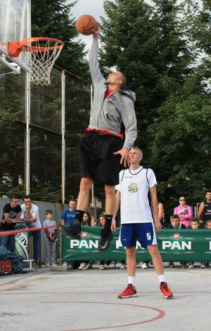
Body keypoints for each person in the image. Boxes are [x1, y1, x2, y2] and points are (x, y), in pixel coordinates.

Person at [63, 28, 138, 252]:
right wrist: (95, 38)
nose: (108, 77)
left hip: (112, 142)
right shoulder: (98, 85)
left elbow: (132, 128)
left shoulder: (124, 100)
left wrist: (126, 148)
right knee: (85, 182)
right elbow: (92, 62)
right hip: (91, 138)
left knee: (108, 189)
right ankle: (76, 223)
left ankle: (106, 232)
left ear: (120, 82)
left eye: (112, 76)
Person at [111, 147, 173, 299]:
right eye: (130, 153)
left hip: (144, 218)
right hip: (127, 220)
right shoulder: (122, 174)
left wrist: (156, 218)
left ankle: (163, 284)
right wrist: (112, 217)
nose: (131, 154)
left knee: (153, 249)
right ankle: (131, 286)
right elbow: (117, 197)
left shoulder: (147, 172)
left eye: (134, 153)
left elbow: (153, 197)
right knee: (129, 252)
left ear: (140, 157)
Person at [21, 196, 41, 264]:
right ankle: (25, 259)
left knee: (36, 245)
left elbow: (33, 220)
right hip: (28, 228)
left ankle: (35, 261)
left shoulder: (35, 207)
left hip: (36, 227)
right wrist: (30, 219)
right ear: (23, 202)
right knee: (25, 242)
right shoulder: (22, 207)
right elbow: (22, 219)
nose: (27, 203)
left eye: (28, 201)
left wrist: (28, 211)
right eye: (25, 201)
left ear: (31, 201)